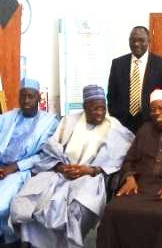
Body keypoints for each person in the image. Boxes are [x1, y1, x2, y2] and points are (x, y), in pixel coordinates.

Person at [10, 85, 134, 248]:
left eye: (102, 108)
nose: (99, 113)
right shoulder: (69, 121)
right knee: (30, 199)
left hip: (91, 177)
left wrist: (89, 170)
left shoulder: (115, 127)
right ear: (84, 108)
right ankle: (34, 243)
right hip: (60, 172)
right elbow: (50, 148)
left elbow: (118, 160)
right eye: (94, 109)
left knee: (75, 209)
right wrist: (60, 166)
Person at [96, 89, 162, 248]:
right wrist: (130, 178)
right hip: (140, 187)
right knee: (113, 210)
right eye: (153, 110)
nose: (157, 113)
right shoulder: (144, 130)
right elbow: (130, 159)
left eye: (161, 108)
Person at [0, 78, 58, 246]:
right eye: (23, 96)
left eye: (30, 96)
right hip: (2, 166)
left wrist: (15, 167)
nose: (26, 100)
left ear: (38, 98)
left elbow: (46, 155)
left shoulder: (49, 122)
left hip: (21, 170)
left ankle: (9, 239)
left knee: (2, 203)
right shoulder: (6, 118)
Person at [107, 26, 162, 133]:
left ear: (149, 41)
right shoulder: (117, 64)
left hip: (152, 123)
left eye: (141, 40)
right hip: (122, 125)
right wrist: (116, 118)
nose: (136, 44)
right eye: (133, 40)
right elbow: (111, 95)